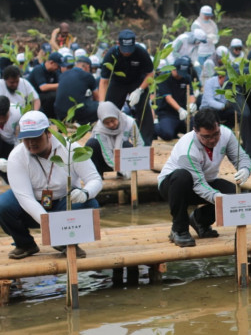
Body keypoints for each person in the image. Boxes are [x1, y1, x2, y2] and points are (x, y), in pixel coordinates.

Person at [0, 111, 101, 259]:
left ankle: (67, 243)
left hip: (63, 202)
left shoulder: (71, 148)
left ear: (48, 133)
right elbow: (25, 198)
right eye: (26, 138)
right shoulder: (16, 156)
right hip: (33, 205)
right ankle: (25, 244)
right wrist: (49, 227)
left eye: (36, 137)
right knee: (3, 205)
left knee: (91, 204)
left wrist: (85, 193)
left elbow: (95, 179)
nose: (31, 143)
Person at [158, 108, 251, 247]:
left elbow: (241, 157)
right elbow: (198, 184)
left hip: (206, 181)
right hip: (174, 185)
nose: (212, 140)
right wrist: (218, 198)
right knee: (182, 176)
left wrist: (245, 169)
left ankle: (199, 220)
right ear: (196, 131)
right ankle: (179, 229)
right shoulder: (187, 149)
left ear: (219, 126)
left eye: (215, 134)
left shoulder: (226, 134)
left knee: (235, 195)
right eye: (206, 137)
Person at [99, 29, 155, 145]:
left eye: (130, 50)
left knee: (144, 110)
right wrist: (102, 103)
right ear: (118, 44)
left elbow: (150, 74)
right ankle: (107, 139)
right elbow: (104, 81)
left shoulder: (141, 52)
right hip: (118, 82)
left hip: (137, 82)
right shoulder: (111, 55)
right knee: (109, 110)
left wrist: (140, 90)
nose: (127, 53)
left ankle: (145, 143)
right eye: (125, 50)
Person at [86, 101, 144, 178]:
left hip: (122, 159)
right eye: (107, 123)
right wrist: (119, 168)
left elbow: (139, 143)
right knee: (92, 144)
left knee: (127, 145)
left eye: (113, 120)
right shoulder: (100, 130)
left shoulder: (129, 122)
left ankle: (123, 174)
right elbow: (106, 153)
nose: (111, 125)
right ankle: (96, 174)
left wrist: (136, 161)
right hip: (105, 160)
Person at [154, 57, 197, 141]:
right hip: (168, 113)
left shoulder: (186, 78)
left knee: (197, 130)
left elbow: (191, 94)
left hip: (184, 115)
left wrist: (192, 104)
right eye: (179, 73)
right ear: (173, 69)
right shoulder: (165, 77)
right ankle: (155, 127)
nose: (181, 76)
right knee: (167, 134)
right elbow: (168, 98)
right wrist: (180, 109)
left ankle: (176, 129)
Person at [54, 56, 99, 124]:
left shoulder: (63, 74)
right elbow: (97, 97)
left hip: (59, 112)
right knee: (98, 106)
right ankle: (81, 123)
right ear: (87, 66)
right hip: (77, 113)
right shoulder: (88, 76)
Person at [25, 52, 62, 118]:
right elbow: (43, 87)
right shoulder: (38, 69)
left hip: (44, 97)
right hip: (33, 98)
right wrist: (62, 84)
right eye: (58, 66)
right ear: (51, 63)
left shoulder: (54, 72)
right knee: (53, 96)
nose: (58, 68)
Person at [191, 5, 219, 76]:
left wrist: (215, 38)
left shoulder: (212, 24)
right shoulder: (196, 24)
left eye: (209, 15)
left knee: (211, 69)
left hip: (210, 50)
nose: (207, 17)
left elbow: (217, 34)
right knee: (200, 69)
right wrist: (206, 37)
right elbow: (194, 37)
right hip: (200, 50)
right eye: (206, 15)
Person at [0, 96, 21, 183]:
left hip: (13, 144)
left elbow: (19, 138)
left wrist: (14, 157)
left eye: (3, 119)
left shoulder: (18, 113)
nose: (1, 121)